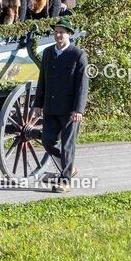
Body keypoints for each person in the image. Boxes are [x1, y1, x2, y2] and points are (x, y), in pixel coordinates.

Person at [33, 20, 89, 193]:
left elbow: (82, 84)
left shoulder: (78, 55)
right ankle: (69, 167)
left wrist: (78, 109)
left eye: (62, 32)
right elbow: (42, 80)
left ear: (69, 34)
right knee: (47, 141)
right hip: (51, 107)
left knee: (67, 145)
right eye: (56, 32)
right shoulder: (49, 53)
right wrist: (38, 104)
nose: (58, 35)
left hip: (69, 110)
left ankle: (65, 182)